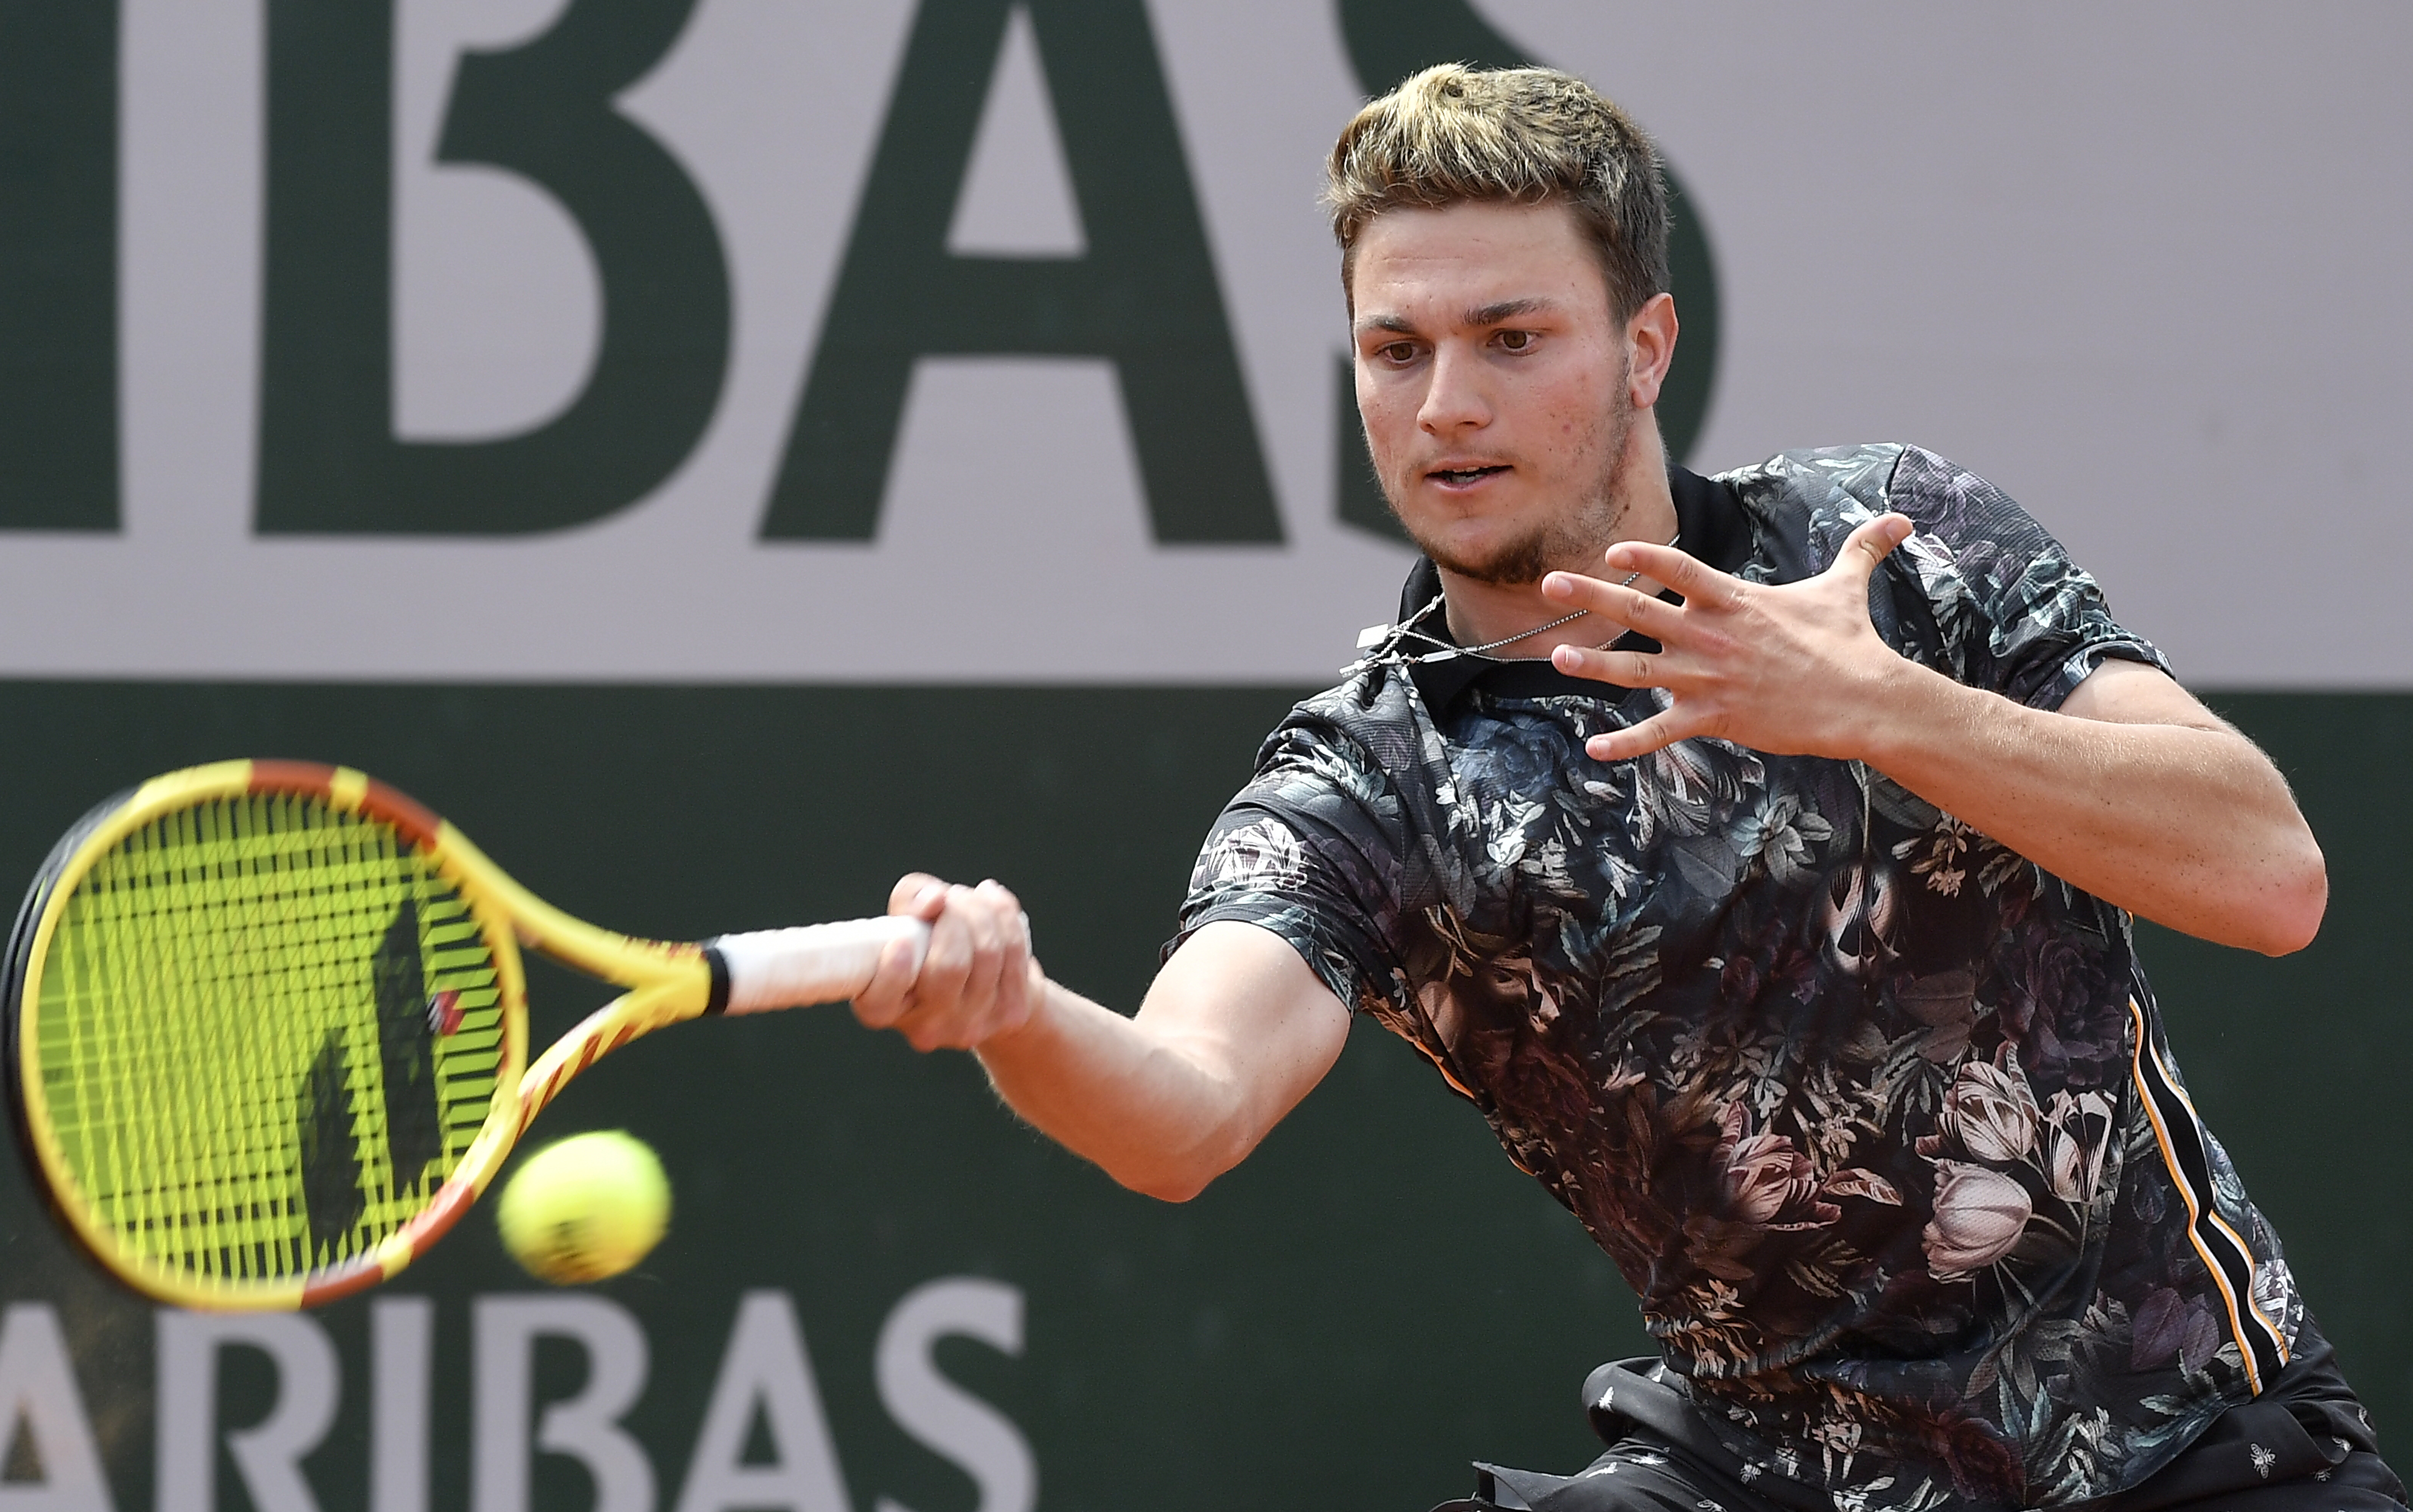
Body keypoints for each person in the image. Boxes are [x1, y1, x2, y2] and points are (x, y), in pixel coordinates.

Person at [850, 64, 2399, 1512]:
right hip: (1761, 1476)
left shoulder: (1893, 540)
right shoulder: (1372, 781)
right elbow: (1182, 1112)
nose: (1446, 404)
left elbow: (2271, 875)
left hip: (2194, 1454)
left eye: (1511, 341)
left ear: (1645, 348)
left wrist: (1886, 709)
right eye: (1398, 351)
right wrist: (1015, 1015)